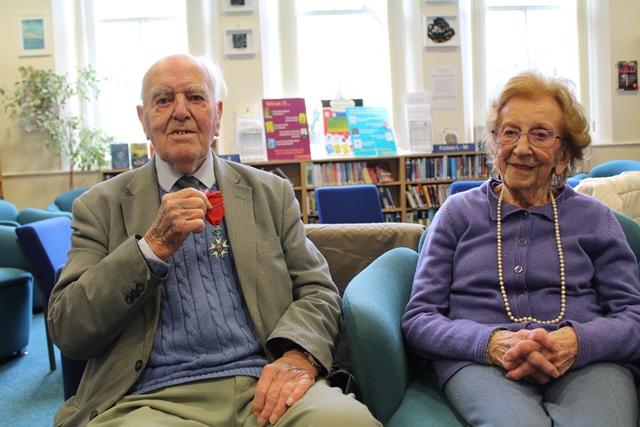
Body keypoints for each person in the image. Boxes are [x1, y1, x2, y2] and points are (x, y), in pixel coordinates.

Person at [48, 53, 380, 427]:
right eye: (163, 100)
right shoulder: (99, 206)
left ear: (217, 115)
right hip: (151, 400)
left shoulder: (270, 192)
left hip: (270, 382)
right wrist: (150, 247)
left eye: (195, 97)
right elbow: (69, 327)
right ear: (143, 120)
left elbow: (318, 290)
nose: (180, 111)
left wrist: (298, 356)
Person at [402, 72, 640, 426]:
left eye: (540, 134)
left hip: (588, 360)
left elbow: (632, 316)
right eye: (510, 132)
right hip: (482, 362)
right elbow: (419, 319)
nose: (521, 147)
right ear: (494, 142)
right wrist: (490, 342)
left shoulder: (597, 219)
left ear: (564, 153)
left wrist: (575, 341)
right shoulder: (456, 214)